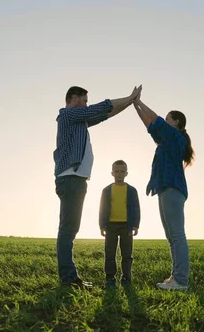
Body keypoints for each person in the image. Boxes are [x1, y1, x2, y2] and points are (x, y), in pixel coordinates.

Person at [53, 85, 142, 289]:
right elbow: (102, 107)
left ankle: (68, 277)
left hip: (75, 180)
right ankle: (68, 278)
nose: (86, 104)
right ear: (74, 99)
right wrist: (129, 96)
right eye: (84, 100)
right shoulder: (68, 115)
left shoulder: (79, 121)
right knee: (68, 229)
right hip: (71, 179)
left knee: (69, 228)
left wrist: (129, 103)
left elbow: (105, 114)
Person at [132, 94, 194, 291]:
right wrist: (135, 105)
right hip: (165, 188)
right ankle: (175, 277)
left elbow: (155, 119)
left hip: (173, 188)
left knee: (177, 235)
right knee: (171, 236)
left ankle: (181, 281)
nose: (165, 122)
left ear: (176, 123)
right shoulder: (166, 139)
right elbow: (150, 126)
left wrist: (139, 101)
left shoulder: (176, 137)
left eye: (168, 119)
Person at [98, 160, 141, 288]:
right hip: (110, 226)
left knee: (127, 254)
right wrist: (101, 225)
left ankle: (126, 277)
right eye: (116, 171)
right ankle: (110, 278)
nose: (119, 174)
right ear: (112, 173)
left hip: (126, 226)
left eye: (122, 171)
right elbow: (102, 208)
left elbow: (136, 208)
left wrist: (136, 225)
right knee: (110, 253)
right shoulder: (106, 190)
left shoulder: (132, 190)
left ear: (126, 173)